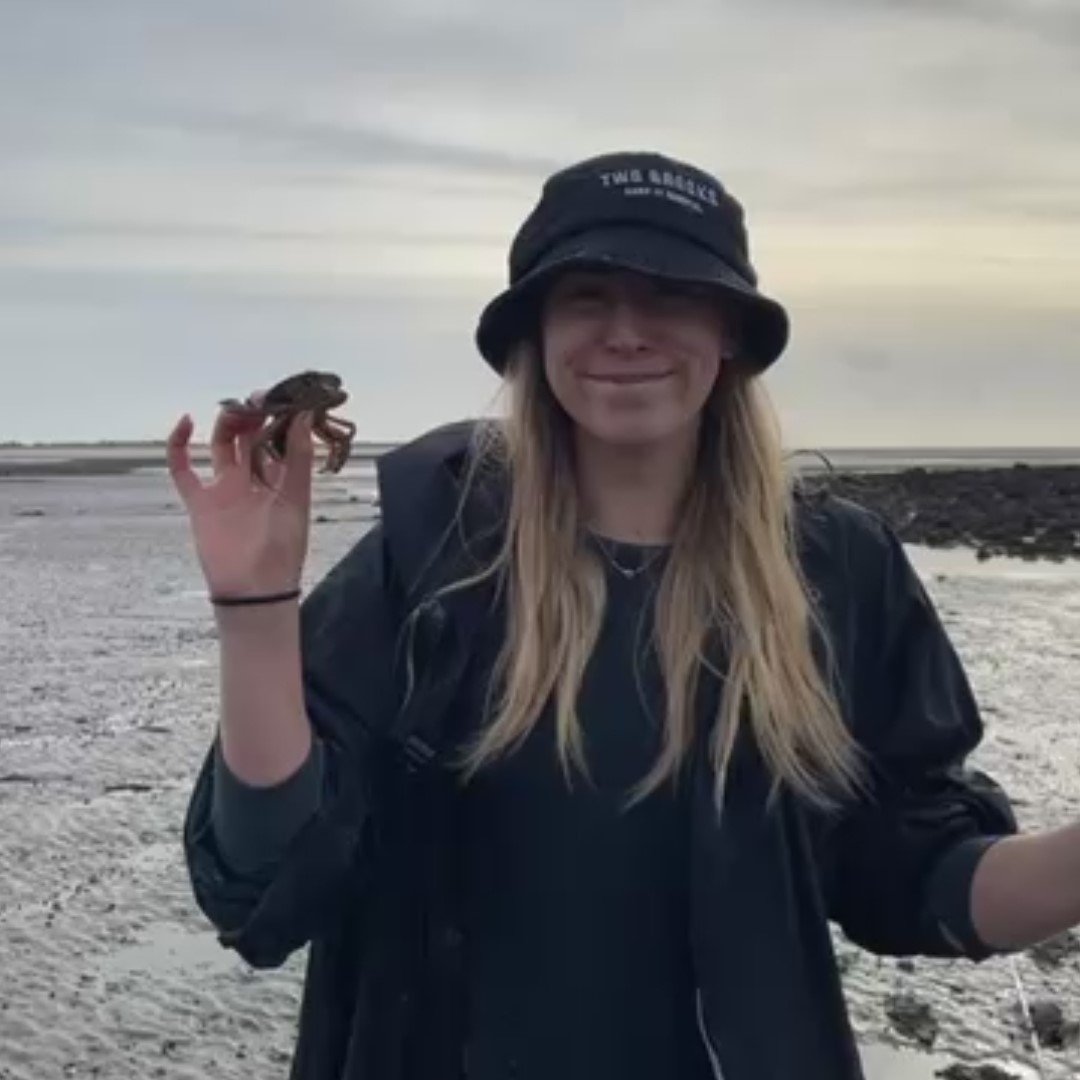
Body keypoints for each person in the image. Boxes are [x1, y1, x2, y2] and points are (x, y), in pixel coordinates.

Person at [168, 151, 1080, 1080]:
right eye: (588, 295)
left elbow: (915, 869)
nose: (627, 331)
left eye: (671, 296)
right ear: (535, 335)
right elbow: (261, 878)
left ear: (729, 331)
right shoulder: (436, 554)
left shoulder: (836, 570)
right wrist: (254, 610)